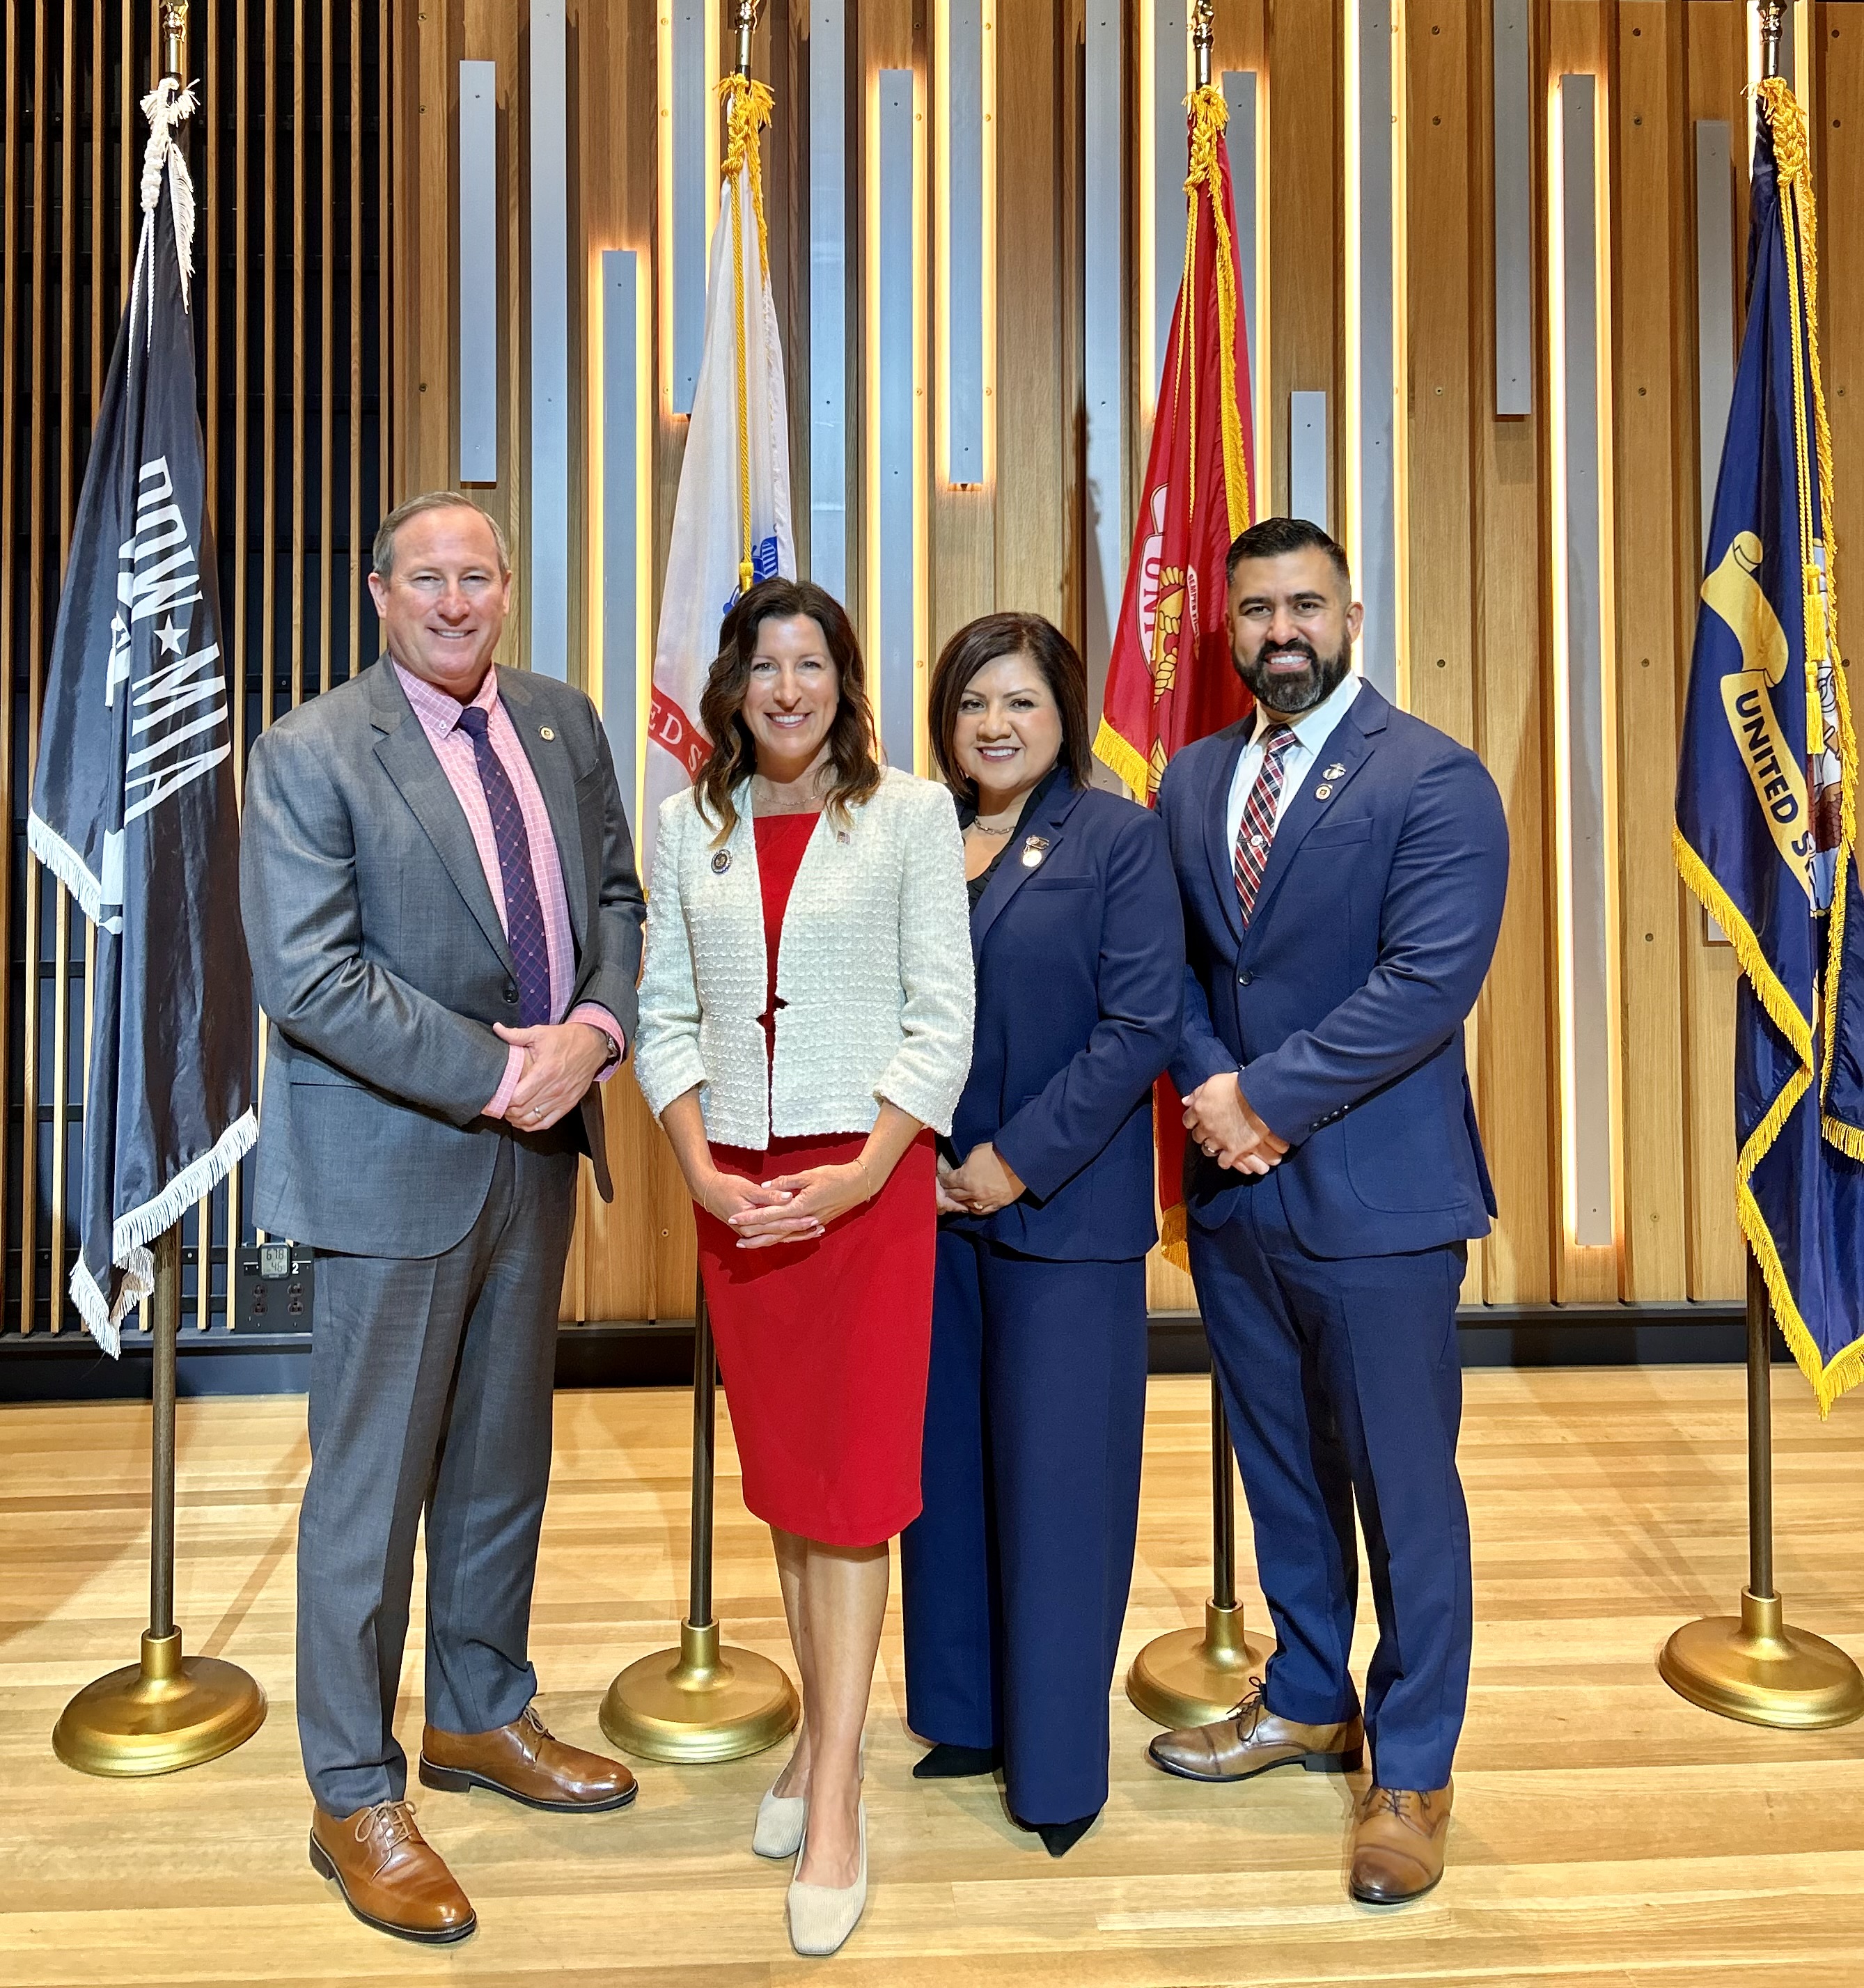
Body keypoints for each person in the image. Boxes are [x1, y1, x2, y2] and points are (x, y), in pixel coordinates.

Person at [240, 492, 647, 1946]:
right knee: (370, 1497)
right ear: (378, 592)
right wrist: (502, 1071)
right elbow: (311, 977)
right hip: (397, 1162)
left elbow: (614, 897)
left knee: (498, 1464)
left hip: (537, 1157)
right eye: (429, 576)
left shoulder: (559, 719)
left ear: (509, 587)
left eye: (479, 575)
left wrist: (593, 1031)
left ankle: (481, 1714)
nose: (457, 599)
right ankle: (353, 1788)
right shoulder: (306, 753)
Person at [1149, 516, 1508, 1907]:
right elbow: (1171, 970)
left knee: (1403, 1490)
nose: (1279, 631)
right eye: (1255, 611)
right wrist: (1208, 1090)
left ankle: (1411, 1767)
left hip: (1376, 1199)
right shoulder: (1189, 782)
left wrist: (1266, 1099)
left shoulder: (1432, 780)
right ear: (1224, 628)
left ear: (1352, 612)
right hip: (1238, 1202)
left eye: (1305, 605)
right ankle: (1307, 1696)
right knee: (1279, 1470)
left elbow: (1426, 984)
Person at [632, 576, 972, 1957]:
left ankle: (835, 1789)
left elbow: (941, 1022)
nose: (788, 688)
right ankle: (819, 1739)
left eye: (812, 663)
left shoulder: (908, 817)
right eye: (765, 665)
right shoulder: (686, 825)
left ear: (844, 681)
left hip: (865, 1192)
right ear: (733, 686)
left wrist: (868, 1167)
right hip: (739, 1187)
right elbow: (662, 1018)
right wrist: (700, 1167)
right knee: (784, 1485)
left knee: (852, 1497)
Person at [898, 613, 1182, 1858]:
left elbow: (1139, 1027)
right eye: (971, 704)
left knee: (1061, 1489)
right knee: (945, 1474)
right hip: (920, 1210)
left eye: (1018, 701)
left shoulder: (1117, 836)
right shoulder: (915, 837)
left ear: (1064, 711)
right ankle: (961, 1713)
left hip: (1059, 1210)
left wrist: (1013, 1163)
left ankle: (1057, 1769)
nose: (994, 726)